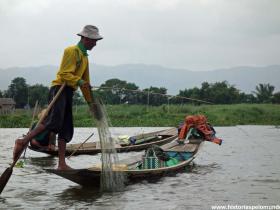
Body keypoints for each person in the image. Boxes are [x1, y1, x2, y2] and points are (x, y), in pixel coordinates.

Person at [13, 25, 103, 170]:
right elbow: (64, 73)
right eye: (93, 40)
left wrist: (90, 103)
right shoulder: (71, 51)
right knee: (53, 122)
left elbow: (85, 84)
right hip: (59, 89)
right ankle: (23, 141)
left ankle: (61, 164)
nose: (95, 43)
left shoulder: (85, 58)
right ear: (85, 38)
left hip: (69, 91)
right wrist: (79, 81)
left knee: (66, 128)